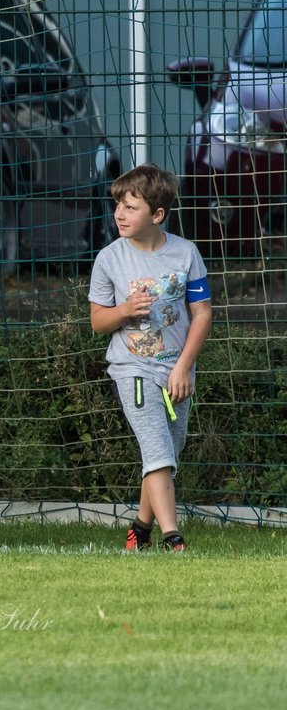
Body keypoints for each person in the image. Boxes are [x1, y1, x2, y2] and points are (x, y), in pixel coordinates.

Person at [89, 164, 212, 553]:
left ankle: (140, 529)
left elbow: (203, 313)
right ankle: (172, 537)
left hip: (176, 371)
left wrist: (183, 367)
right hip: (132, 369)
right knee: (157, 449)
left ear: (157, 215)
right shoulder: (109, 259)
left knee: (166, 452)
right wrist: (124, 309)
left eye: (130, 208)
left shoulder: (186, 253)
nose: (119, 215)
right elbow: (97, 322)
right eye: (117, 207)